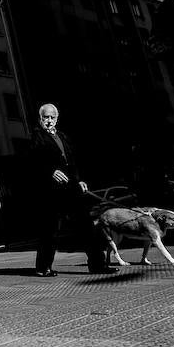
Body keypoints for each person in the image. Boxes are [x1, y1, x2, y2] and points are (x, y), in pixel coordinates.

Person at [30, 103, 115, 276]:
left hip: (70, 188)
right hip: (50, 191)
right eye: (46, 117)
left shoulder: (62, 136)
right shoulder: (35, 136)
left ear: (57, 119)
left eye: (52, 117)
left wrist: (80, 180)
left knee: (86, 225)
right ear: (40, 118)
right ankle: (43, 268)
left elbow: (72, 162)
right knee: (50, 229)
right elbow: (32, 162)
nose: (49, 120)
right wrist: (50, 171)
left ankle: (97, 265)